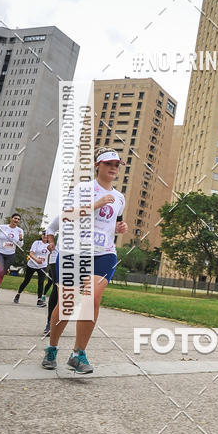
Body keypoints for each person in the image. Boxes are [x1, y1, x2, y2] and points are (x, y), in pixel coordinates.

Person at [41, 149, 128, 373]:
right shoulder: (83, 188)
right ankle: (52, 348)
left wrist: (120, 228)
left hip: (104, 252)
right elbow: (67, 216)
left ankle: (77, 354)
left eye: (117, 164)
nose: (113, 168)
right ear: (97, 165)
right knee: (67, 304)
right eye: (108, 163)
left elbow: (113, 223)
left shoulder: (120, 198)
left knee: (92, 299)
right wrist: (96, 204)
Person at [0, 213, 24, 303]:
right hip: (0, 252)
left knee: (1, 274)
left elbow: (20, 245)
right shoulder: (1, 227)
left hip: (10, 254)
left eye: (18, 219)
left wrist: (20, 239)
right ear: (11, 218)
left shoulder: (20, 230)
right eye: (15, 218)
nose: (16, 220)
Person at [13, 232, 49, 306]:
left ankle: (39, 300)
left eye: (47, 235)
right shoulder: (37, 243)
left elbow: (50, 255)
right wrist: (36, 260)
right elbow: (31, 253)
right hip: (32, 264)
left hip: (42, 266)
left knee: (41, 282)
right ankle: (18, 294)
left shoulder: (49, 245)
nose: (45, 236)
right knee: (26, 280)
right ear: (41, 236)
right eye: (44, 234)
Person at [43, 218, 59, 336]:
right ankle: (50, 322)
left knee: (69, 291)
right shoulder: (67, 213)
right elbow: (51, 228)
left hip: (77, 258)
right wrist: (51, 242)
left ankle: (59, 319)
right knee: (57, 287)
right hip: (57, 256)